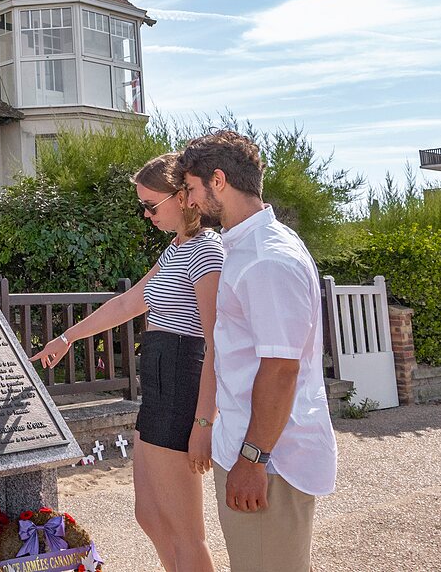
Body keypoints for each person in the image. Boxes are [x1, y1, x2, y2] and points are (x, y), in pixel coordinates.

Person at [31, 153, 221, 572]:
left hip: (180, 387)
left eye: (152, 205)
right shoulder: (177, 249)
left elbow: (216, 344)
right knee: (150, 516)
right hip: (158, 387)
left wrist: (204, 423)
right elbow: (129, 302)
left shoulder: (207, 253)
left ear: (183, 196)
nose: (147, 214)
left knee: (187, 532)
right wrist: (67, 337)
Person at [177, 130, 337, 572]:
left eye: (191, 189)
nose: (188, 202)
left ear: (219, 180)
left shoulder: (268, 258)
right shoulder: (248, 247)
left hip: (270, 461)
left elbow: (281, 369)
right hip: (252, 450)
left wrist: (252, 460)